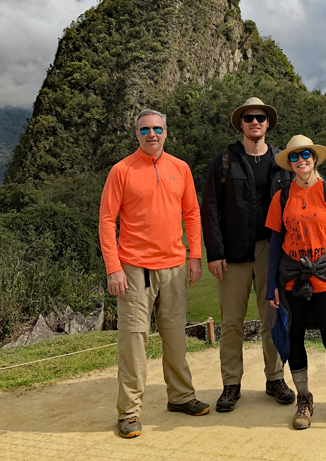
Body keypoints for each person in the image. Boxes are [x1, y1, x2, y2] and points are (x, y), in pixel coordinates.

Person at [99, 109, 209, 439]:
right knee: (133, 340)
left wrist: (195, 256)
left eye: (157, 128)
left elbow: (191, 213)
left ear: (166, 132)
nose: (152, 134)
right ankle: (130, 411)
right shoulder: (121, 171)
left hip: (174, 265)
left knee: (175, 337)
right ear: (136, 134)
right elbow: (107, 221)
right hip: (134, 269)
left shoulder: (180, 168)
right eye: (145, 129)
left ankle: (180, 397)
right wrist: (113, 267)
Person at [201, 97, 295, 413]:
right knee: (231, 323)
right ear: (241, 123)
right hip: (233, 252)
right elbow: (210, 209)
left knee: (273, 318)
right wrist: (214, 253)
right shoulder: (224, 162)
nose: (255, 122)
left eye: (261, 118)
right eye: (249, 118)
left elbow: (293, 207)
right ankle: (231, 384)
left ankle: (275, 378)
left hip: (271, 250)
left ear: (268, 124)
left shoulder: (283, 163)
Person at [265, 135, 326, 430]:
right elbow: (276, 242)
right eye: (294, 156)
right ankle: (304, 398)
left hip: (325, 278)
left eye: (306, 154)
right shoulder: (281, 197)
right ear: (289, 164)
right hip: (292, 280)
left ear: (314, 159)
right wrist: (271, 286)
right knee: (295, 339)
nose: (301, 160)